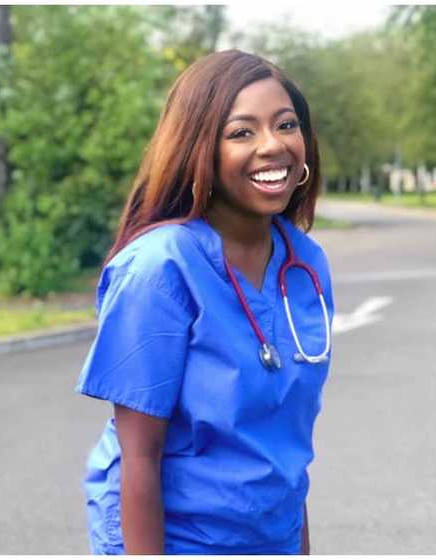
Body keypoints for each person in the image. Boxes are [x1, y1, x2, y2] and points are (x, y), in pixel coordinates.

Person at [75, 50, 332, 554]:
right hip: (179, 537)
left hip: (268, 532)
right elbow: (139, 459)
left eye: (286, 125)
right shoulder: (160, 270)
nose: (273, 146)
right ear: (201, 149)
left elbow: (284, 438)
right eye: (242, 132)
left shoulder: (305, 263)